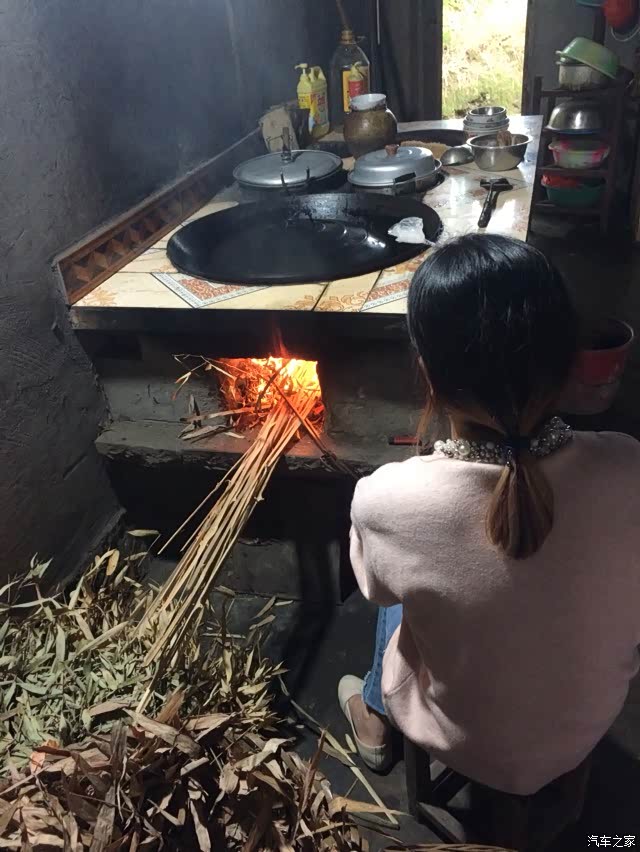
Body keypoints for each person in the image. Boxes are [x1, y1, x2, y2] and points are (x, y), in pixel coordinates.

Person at [338, 234, 640, 796]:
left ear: (428, 375)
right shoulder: (628, 465)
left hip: (460, 735)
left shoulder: (387, 499)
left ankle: (375, 713)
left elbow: (378, 592)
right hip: (588, 722)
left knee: (398, 588)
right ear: (569, 364)